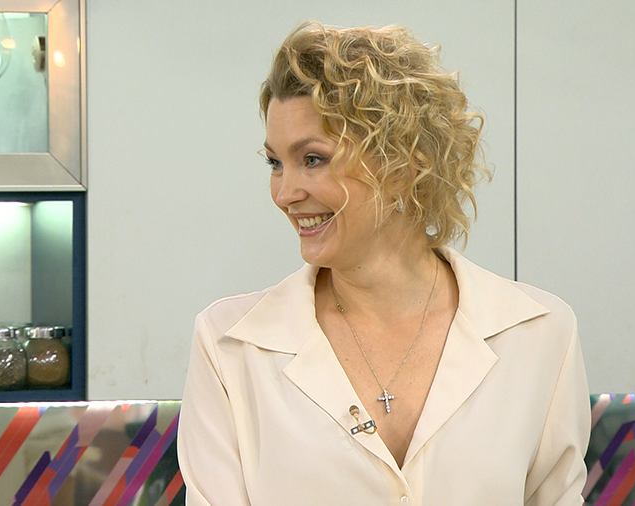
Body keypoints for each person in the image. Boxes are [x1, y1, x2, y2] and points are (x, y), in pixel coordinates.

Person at [178, 21, 590, 505]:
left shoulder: (538, 333)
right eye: (275, 163)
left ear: (404, 164)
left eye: (312, 159)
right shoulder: (229, 348)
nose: (285, 193)